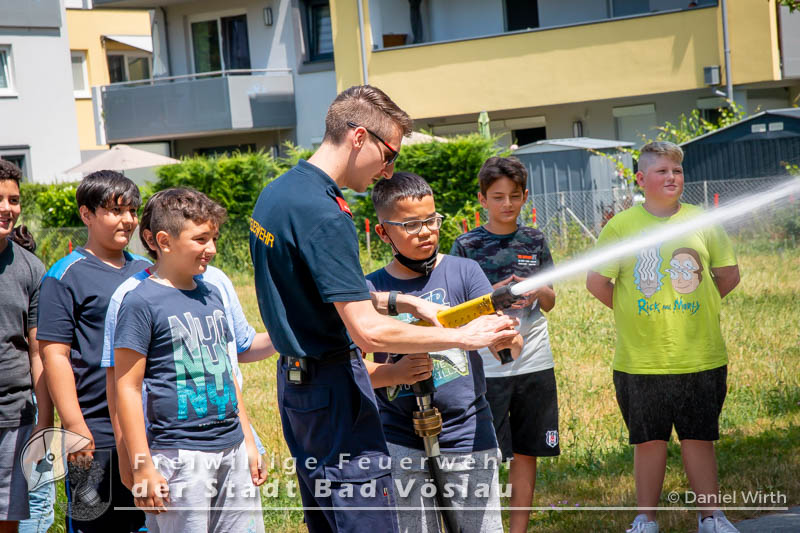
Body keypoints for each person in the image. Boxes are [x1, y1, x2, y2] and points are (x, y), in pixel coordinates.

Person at [249, 85, 518, 533]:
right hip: (336, 392)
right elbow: (368, 332)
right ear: (359, 137)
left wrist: (402, 300)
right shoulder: (326, 214)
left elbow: (319, 288)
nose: (388, 170)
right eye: (389, 154)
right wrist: (463, 336)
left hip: (299, 394)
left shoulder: (277, 196)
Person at [586, 141, 741, 533]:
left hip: (701, 356)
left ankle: (711, 517)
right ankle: (646, 519)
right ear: (641, 179)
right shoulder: (621, 227)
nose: (672, 177)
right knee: (648, 441)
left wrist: (698, 307)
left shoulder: (702, 221)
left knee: (699, 438)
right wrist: (635, 312)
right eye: (662, 171)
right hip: (641, 361)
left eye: (677, 170)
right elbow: (597, 282)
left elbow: (728, 275)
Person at [365, 172, 519, 533]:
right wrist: (395, 374)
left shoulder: (464, 272)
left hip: (468, 432)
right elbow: (353, 368)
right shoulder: (372, 290)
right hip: (400, 438)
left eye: (432, 220)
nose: (426, 232)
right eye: (411, 225)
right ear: (383, 232)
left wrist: (507, 341)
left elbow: (508, 344)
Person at [101, 188, 276, 493]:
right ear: (162, 241)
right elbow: (123, 386)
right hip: (174, 451)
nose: (212, 249)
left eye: (214, 238)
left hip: (231, 442)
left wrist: (249, 440)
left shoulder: (215, 288)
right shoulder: (133, 299)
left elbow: (230, 363)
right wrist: (135, 461)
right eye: (201, 239)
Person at [450, 156, 560, 533]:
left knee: (527, 451)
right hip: (486, 365)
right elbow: (455, 311)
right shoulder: (466, 245)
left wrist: (537, 289)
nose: (507, 204)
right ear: (482, 199)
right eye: (497, 197)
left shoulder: (535, 240)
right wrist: (492, 295)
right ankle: (484, 525)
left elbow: (551, 301)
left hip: (534, 360)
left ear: (525, 196)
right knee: (486, 453)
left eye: (514, 196)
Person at [38, 171, 148, 533]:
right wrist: (74, 426)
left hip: (144, 427)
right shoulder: (64, 275)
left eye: (132, 211)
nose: (128, 220)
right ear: (86, 214)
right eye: (116, 211)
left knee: (149, 521)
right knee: (96, 524)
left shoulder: (146, 271)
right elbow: (54, 356)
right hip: (96, 432)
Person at [0, 160, 53, 533]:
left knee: (8, 519)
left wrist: (44, 422)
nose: (7, 208)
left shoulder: (32, 268)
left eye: (14, 200)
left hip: (13, 416)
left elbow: (39, 352)